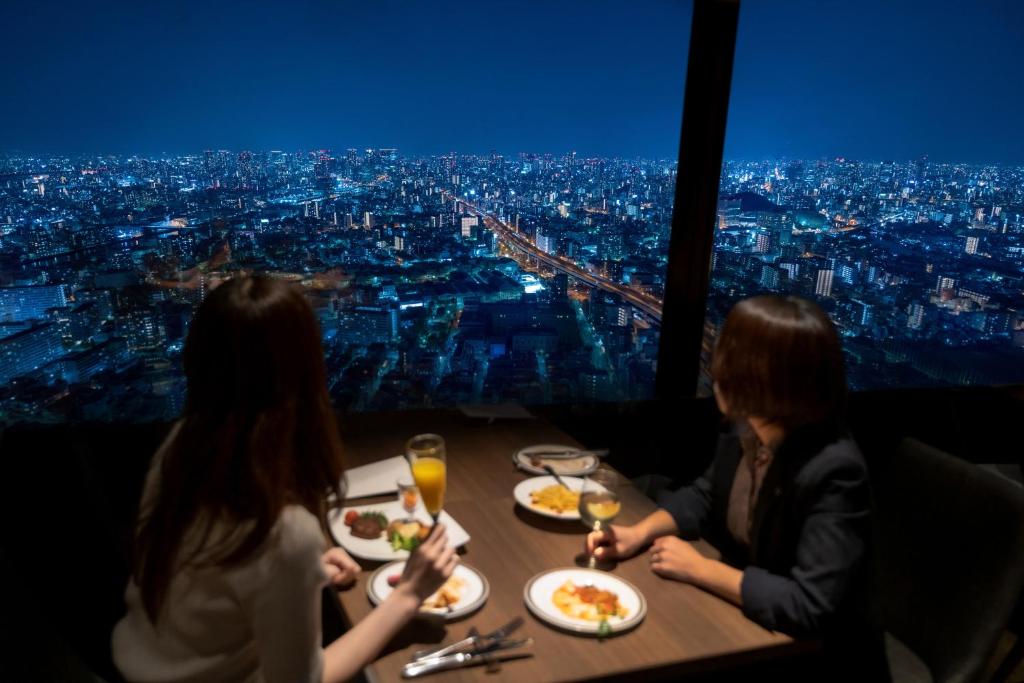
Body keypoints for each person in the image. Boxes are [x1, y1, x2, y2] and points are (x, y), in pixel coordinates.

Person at [112, 275, 457, 683]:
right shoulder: (283, 534)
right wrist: (408, 595)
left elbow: (207, 579)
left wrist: (303, 571)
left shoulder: (182, 447)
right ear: (308, 372)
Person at [587, 295, 888, 679]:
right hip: (750, 624)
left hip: (815, 658)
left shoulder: (834, 471)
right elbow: (707, 493)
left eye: (726, 356)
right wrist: (636, 533)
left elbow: (810, 606)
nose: (716, 368)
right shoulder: (749, 431)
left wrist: (699, 569)